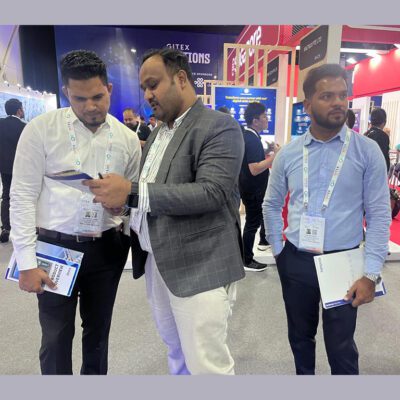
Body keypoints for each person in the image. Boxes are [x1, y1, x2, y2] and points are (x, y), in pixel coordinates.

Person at [84, 48, 245, 375]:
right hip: (156, 260)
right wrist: (124, 203)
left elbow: (212, 192)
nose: (147, 95)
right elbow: (153, 192)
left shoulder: (219, 126)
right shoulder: (158, 132)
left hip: (200, 265)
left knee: (207, 367)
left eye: (153, 84)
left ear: (181, 78)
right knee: (176, 353)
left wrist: (131, 190)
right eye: (144, 87)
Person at [10, 50, 141, 375]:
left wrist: (122, 204)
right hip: (55, 248)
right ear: (66, 92)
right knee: (55, 337)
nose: (90, 106)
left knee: (98, 334)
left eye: (98, 97)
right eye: (80, 99)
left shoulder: (128, 139)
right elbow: (22, 196)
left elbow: (133, 196)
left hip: (107, 248)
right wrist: (26, 262)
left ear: (109, 89)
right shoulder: (41, 130)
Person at [263, 63, 391, 375]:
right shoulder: (289, 154)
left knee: (341, 347)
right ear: (307, 105)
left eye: (342, 95)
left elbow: (379, 214)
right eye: (326, 96)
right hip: (297, 260)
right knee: (300, 339)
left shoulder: (367, 151)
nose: (338, 103)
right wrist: (280, 252)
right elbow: (271, 204)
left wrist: (371, 273)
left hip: (344, 263)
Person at [239, 102, 279, 271]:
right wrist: (275, 156)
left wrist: (267, 153)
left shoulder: (250, 136)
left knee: (252, 222)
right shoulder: (251, 139)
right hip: (253, 189)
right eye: (264, 117)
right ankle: (247, 260)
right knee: (252, 223)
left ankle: (246, 256)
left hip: (250, 188)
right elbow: (254, 169)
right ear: (255, 121)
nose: (267, 119)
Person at [0, 98, 26, 243]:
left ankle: (6, 228)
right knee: (23, 196)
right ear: (19, 110)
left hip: (4, 167)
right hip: (21, 168)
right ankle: (23, 226)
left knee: (6, 196)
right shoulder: (24, 127)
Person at [364, 107, 390, 172]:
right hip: (377, 172)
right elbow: (384, 157)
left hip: (364, 171)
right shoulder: (384, 136)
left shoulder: (365, 134)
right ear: (384, 122)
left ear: (371, 121)